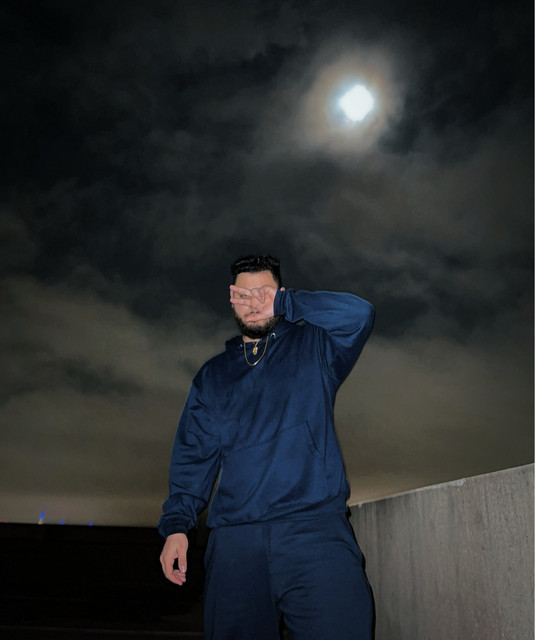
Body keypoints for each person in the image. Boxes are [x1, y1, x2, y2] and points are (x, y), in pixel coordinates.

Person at [159, 254, 375, 640]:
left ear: (281, 294)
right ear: (231, 301)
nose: (254, 302)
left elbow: (359, 314)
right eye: (244, 295)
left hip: (314, 531)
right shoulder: (213, 376)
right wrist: (177, 526)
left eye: (264, 293)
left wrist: (286, 304)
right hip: (235, 543)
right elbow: (193, 454)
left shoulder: (316, 348)